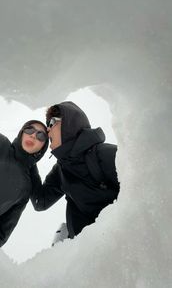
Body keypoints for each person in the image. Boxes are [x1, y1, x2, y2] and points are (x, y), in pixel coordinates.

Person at [30, 101, 120, 241]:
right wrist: (30, 161)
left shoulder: (106, 154)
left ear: (70, 125)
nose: (48, 130)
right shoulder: (61, 170)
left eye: (52, 122)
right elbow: (40, 201)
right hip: (83, 251)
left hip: (118, 245)